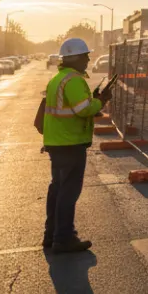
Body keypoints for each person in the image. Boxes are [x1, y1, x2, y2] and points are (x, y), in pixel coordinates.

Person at [43, 37, 109, 254]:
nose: (89, 60)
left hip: (58, 142)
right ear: (76, 58)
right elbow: (83, 109)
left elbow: (73, 107)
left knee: (58, 189)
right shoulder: (73, 80)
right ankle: (64, 238)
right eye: (86, 56)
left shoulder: (59, 78)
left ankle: (51, 235)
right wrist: (102, 101)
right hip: (69, 143)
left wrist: (92, 101)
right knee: (68, 192)